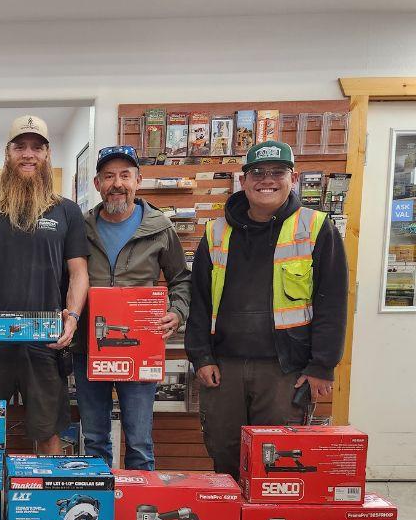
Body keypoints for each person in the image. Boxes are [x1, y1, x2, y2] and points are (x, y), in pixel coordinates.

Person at [185, 140, 348, 479]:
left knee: (275, 462)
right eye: (257, 173)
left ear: (294, 177)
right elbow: (199, 301)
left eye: (277, 172)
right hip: (223, 369)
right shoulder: (215, 232)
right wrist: (201, 357)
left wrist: (322, 366)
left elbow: (331, 302)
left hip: (285, 370)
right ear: (243, 181)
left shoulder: (317, 228)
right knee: (224, 454)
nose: (267, 180)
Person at [0, 115, 89, 454]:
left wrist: (71, 318)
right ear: (8, 153)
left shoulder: (67, 212)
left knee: (48, 433)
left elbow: (79, 272)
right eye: (20, 146)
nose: (28, 154)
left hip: (45, 341)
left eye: (37, 147)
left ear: (47, 155)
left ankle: (42, 505)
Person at [73, 145, 191, 468]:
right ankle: (102, 513)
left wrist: (177, 312)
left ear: (138, 180)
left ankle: (137, 514)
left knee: (139, 442)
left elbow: (182, 279)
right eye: (109, 176)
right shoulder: (80, 229)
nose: (117, 183)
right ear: (97, 183)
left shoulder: (160, 228)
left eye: (125, 175)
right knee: (94, 440)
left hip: (140, 351)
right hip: (88, 349)